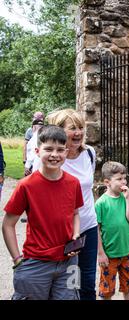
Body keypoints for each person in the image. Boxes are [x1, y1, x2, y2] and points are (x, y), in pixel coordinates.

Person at [2, 125, 84, 300]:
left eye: (60, 150)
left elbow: (75, 213)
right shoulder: (26, 185)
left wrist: (76, 235)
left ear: (66, 151)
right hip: (36, 262)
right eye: (49, 149)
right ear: (37, 151)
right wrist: (17, 260)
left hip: (69, 263)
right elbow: (8, 224)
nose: (55, 154)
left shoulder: (74, 183)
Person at [33, 109, 98, 300]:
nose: (78, 133)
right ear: (59, 131)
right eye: (73, 128)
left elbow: (87, 189)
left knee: (87, 283)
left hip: (88, 226)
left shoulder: (89, 153)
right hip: (61, 232)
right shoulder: (51, 158)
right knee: (68, 283)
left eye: (81, 127)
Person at [96, 161, 129, 300]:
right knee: (107, 289)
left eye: (125, 178)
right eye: (119, 179)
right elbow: (96, 230)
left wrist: (127, 199)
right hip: (110, 254)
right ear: (107, 182)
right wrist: (101, 253)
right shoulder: (101, 203)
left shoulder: (128, 198)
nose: (124, 182)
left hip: (127, 251)